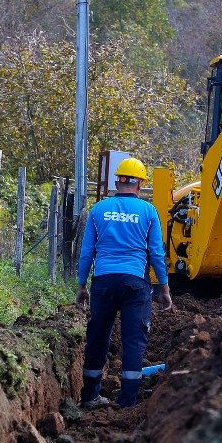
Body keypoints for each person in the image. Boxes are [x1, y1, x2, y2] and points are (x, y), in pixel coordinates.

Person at [76, 157, 172, 408]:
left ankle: (89, 396)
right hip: (134, 283)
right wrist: (164, 287)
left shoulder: (98, 209)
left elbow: (87, 252)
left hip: (103, 281)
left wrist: (81, 286)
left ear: (117, 182)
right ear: (140, 184)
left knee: (97, 336)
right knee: (133, 339)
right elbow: (156, 253)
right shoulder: (149, 211)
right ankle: (128, 400)